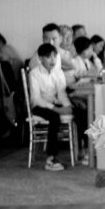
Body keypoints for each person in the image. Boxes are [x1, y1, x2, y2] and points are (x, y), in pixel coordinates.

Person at [28, 43, 75, 171]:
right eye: (48, 57)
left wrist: (68, 106)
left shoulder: (58, 72)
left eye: (55, 56)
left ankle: (85, 151)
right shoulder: (34, 73)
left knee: (78, 110)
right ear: (41, 58)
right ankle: (51, 158)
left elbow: (61, 93)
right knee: (55, 117)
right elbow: (36, 98)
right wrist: (56, 109)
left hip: (54, 103)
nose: (53, 60)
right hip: (39, 106)